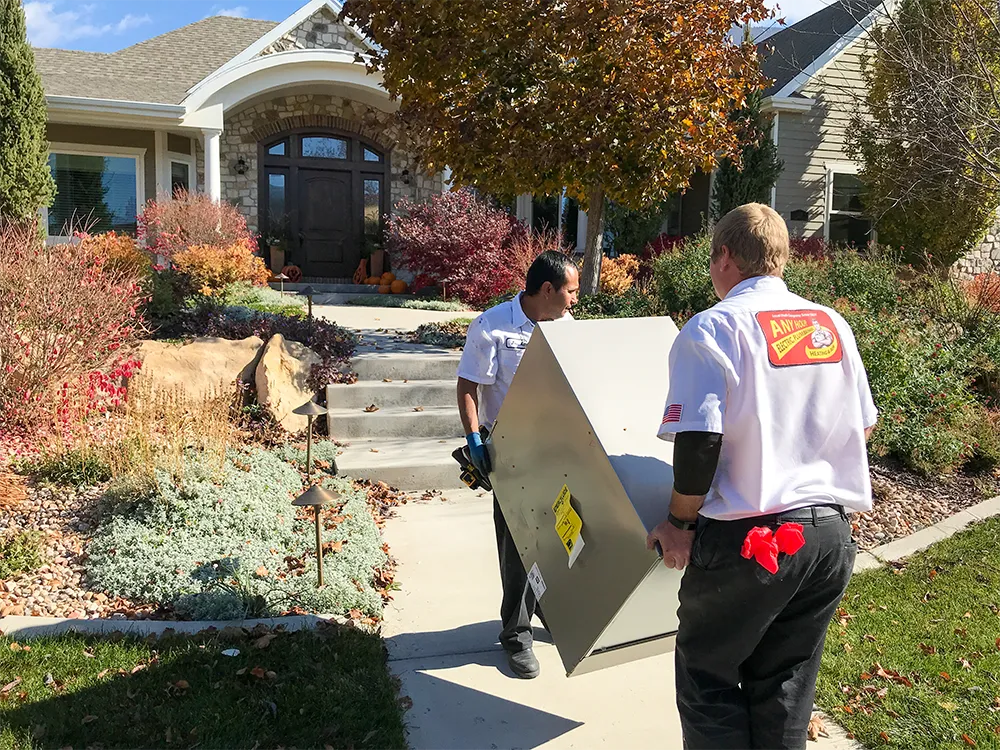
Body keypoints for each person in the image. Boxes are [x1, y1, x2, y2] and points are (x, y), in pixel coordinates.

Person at [646, 203, 878, 749]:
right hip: (826, 538)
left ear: (724, 255)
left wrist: (679, 522)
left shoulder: (715, 327)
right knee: (785, 690)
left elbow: (700, 439)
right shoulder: (829, 325)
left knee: (710, 679)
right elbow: (862, 428)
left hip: (751, 542)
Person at [456, 250, 580, 679]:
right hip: (510, 451)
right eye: (571, 291)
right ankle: (515, 634)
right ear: (547, 290)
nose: (575, 301)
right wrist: (475, 439)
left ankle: (545, 610)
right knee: (517, 544)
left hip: (557, 448)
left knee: (560, 535)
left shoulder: (566, 326)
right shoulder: (492, 326)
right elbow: (469, 386)